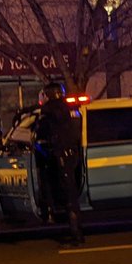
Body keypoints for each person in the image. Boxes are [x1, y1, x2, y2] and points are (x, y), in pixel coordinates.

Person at [34, 82, 84, 245]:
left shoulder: (49, 110)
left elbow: (40, 131)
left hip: (60, 154)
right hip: (75, 153)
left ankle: (76, 234)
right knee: (71, 190)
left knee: (69, 194)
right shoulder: (72, 108)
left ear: (49, 94)